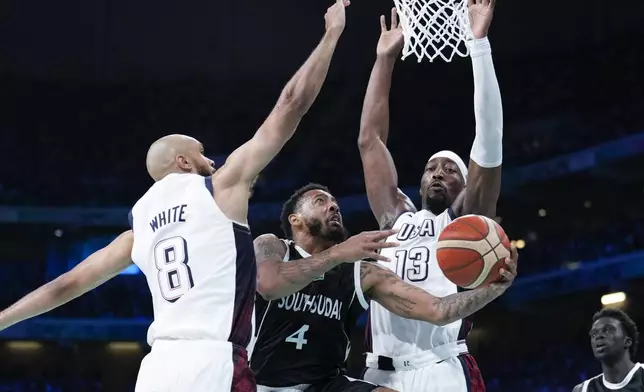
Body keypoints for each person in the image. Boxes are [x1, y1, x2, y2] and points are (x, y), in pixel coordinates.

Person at [0, 2, 350, 390]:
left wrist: (2, 319)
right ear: (183, 161)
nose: (212, 160)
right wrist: (331, 34)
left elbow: (64, 286)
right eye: (201, 152)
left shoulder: (138, 229)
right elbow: (290, 105)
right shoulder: (219, 189)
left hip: (157, 369)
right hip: (214, 362)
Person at [356, 1, 503, 391]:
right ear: (418, 182)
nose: (438, 173)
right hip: (379, 372)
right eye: (431, 168)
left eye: (450, 169)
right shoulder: (395, 217)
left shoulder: (467, 223)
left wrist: (479, 45)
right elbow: (369, 141)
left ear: (464, 184)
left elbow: (489, 139)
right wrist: (384, 59)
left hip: (439, 367)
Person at [250, 183, 517, 392]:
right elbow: (270, 285)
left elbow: (437, 310)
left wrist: (492, 289)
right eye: (321, 201)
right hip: (260, 383)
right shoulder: (274, 247)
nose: (333, 207)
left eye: (335, 203)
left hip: (326, 385)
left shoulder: (361, 272)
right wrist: (339, 253)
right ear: (295, 220)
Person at [573, 308, 643, 392]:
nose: (599, 336)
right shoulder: (583, 389)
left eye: (609, 330)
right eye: (594, 334)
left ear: (627, 342)